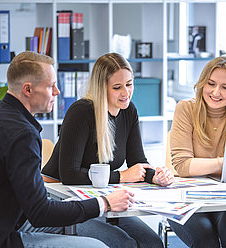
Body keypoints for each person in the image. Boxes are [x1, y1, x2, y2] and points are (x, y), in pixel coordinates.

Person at [0, 51, 136, 248]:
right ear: (28, 90)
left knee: (117, 240)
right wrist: (104, 203)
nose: (57, 91)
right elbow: (40, 213)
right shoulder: (22, 134)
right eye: (50, 86)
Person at [41, 52, 174, 248]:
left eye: (129, 84)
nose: (126, 93)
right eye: (117, 87)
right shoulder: (81, 112)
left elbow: (138, 161)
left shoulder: (129, 111)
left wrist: (155, 177)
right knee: (124, 244)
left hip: (106, 199)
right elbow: (70, 175)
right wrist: (121, 177)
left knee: (152, 243)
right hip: (66, 200)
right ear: (101, 88)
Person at [168, 56, 226, 248]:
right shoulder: (185, 109)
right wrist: (225, 162)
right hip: (186, 198)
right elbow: (182, 166)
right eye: (211, 84)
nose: (216, 92)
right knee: (206, 240)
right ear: (202, 84)